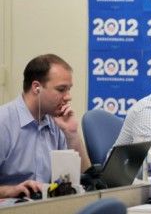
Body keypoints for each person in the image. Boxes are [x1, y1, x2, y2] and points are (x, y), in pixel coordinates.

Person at [0, 54, 91, 197]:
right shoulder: (4, 122)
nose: (68, 97)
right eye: (61, 89)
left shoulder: (57, 121)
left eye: (69, 89)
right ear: (36, 88)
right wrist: (11, 191)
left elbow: (87, 179)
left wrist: (72, 134)